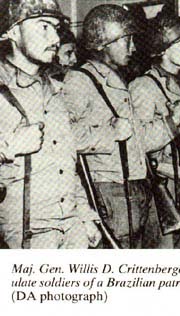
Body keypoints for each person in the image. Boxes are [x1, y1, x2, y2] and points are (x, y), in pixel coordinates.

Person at [0, 0, 101, 249]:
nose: (55, 37)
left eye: (56, 28)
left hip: (71, 224)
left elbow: (66, 162)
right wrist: (7, 147)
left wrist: (85, 214)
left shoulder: (54, 89)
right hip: (28, 232)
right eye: (43, 26)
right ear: (12, 31)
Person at [63, 4, 150, 249]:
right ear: (103, 43)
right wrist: (110, 133)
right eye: (126, 40)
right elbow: (64, 138)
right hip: (108, 189)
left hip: (131, 186)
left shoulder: (116, 78)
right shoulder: (80, 81)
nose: (132, 48)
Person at [129, 14, 180, 249]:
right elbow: (140, 143)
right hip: (162, 188)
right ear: (163, 49)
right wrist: (173, 121)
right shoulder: (144, 86)